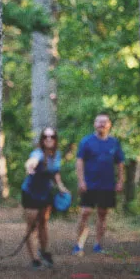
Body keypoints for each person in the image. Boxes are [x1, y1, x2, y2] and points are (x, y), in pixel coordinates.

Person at [71, 112, 125, 256]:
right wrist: (81, 181)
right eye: (99, 121)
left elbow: (120, 163)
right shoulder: (87, 141)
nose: (101, 124)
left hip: (107, 185)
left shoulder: (114, 142)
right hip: (89, 184)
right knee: (85, 212)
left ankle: (98, 245)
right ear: (94, 124)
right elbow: (79, 161)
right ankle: (78, 244)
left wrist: (120, 181)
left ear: (109, 125)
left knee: (102, 214)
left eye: (104, 122)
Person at [20, 127, 70, 270]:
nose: (49, 139)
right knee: (31, 227)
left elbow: (55, 173)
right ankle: (34, 259)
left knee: (43, 223)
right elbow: (32, 161)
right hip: (31, 193)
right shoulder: (38, 153)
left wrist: (61, 187)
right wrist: (29, 166)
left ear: (55, 139)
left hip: (46, 193)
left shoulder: (57, 155)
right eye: (46, 137)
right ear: (42, 139)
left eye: (52, 136)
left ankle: (43, 251)